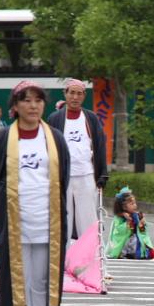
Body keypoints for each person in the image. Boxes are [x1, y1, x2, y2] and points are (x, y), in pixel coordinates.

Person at [0, 80, 70, 306]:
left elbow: (64, 180)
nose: (33, 106)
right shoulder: (1, 140)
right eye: (26, 100)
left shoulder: (55, 138)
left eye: (38, 100)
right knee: (17, 282)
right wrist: (1, 219)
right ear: (15, 106)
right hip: (14, 222)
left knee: (43, 282)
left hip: (48, 222)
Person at [47, 78, 108, 241]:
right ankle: (63, 256)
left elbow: (100, 146)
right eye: (72, 93)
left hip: (86, 175)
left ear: (84, 96)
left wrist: (103, 173)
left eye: (79, 93)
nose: (75, 97)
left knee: (88, 220)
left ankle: (90, 256)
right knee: (63, 220)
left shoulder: (91, 118)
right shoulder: (54, 118)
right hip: (63, 178)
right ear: (65, 94)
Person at [107, 187, 154, 259]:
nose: (135, 205)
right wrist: (127, 222)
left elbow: (143, 232)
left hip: (134, 239)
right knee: (125, 242)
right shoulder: (119, 218)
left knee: (136, 242)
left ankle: (133, 253)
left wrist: (142, 224)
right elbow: (118, 232)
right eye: (132, 204)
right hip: (123, 240)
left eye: (135, 203)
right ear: (124, 207)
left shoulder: (137, 215)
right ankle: (122, 253)